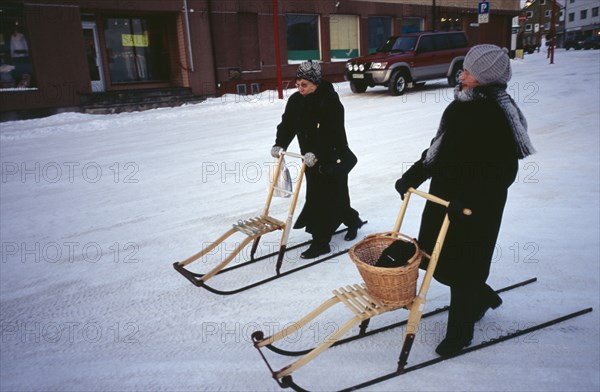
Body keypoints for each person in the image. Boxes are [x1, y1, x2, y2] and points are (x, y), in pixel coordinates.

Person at [394, 45, 535, 356]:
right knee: (436, 259)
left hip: (475, 208)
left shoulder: (498, 115)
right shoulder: (459, 107)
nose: (463, 73)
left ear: (485, 77)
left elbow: (502, 172)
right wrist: (412, 177)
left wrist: (469, 200)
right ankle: (482, 297)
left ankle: (461, 333)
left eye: (469, 71)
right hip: (443, 199)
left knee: (465, 269)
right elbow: (437, 150)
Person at [272, 60, 363, 259]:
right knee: (329, 197)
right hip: (309, 159)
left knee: (326, 198)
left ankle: (321, 243)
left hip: (332, 158)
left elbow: (333, 133)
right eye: (297, 84)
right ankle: (353, 220)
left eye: (304, 85)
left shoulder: (329, 100)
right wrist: (280, 144)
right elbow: (287, 125)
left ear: (315, 83)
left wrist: (318, 154)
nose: (300, 89)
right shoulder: (296, 101)